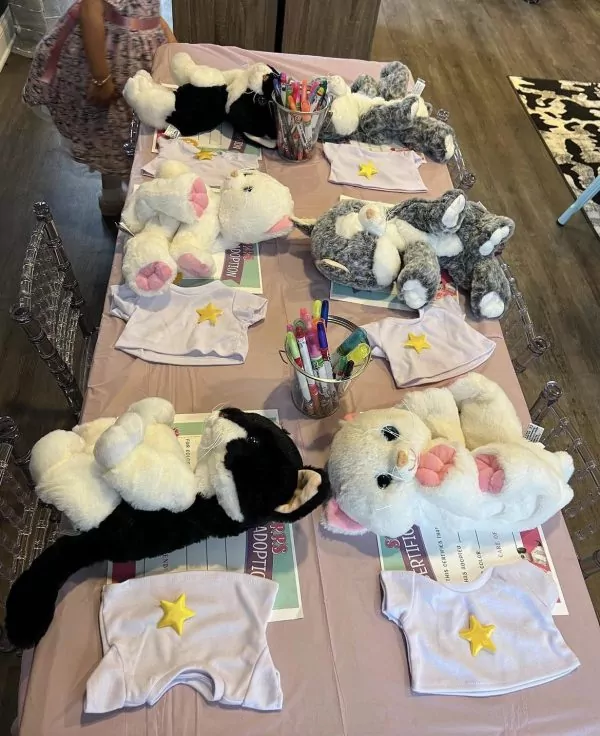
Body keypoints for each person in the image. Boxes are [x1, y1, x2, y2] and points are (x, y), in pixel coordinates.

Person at [22, 0, 176, 216]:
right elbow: (90, 12)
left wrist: (167, 35)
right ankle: (118, 198)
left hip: (143, 52)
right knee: (114, 132)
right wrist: (102, 77)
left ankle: (122, 195)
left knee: (129, 131)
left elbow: (147, 10)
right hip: (114, 57)